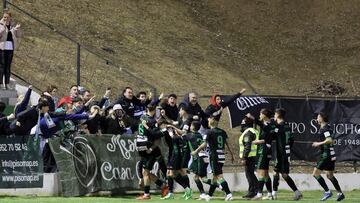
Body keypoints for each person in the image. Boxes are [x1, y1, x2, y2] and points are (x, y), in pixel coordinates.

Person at [192, 117, 234, 201]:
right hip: (221, 155)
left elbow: (204, 144)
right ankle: (209, 195)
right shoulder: (222, 131)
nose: (208, 120)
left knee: (219, 176)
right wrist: (231, 154)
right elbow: (227, 143)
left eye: (209, 119)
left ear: (213, 121)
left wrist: (196, 151)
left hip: (214, 155)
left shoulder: (209, 132)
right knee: (215, 177)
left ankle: (229, 194)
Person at [312, 112, 345, 201]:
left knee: (315, 173)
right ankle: (340, 193)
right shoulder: (326, 128)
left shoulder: (325, 128)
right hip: (331, 154)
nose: (317, 118)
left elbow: (329, 140)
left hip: (326, 155)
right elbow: (331, 140)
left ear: (322, 118)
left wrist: (318, 143)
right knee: (330, 175)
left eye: (318, 117)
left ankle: (327, 192)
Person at [272, 108, 302, 201]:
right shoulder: (287, 126)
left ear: (277, 115)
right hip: (286, 152)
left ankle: (274, 193)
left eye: (274, 114)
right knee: (283, 174)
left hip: (281, 153)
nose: (274, 116)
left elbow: (272, 135)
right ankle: (297, 193)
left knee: (276, 172)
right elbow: (292, 140)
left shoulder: (279, 127)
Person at [247, 109, 275, 200]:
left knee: (261, 173)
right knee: (266, 173)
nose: (259, 115)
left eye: (260, 113)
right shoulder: (267, 125)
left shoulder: (268, 125)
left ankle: (259, 194)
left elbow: (268, 139)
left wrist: (257, 141)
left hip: (264, 151)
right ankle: (270, 194)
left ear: (265, 115)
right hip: (264, 150)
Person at [239, 116, 259, 199]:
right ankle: (257, 189)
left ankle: (252, 192)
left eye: (242, 124)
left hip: (249, 156)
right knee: (251, 174)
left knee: (249, 175)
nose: (241, 126)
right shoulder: (253, 131)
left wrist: (244, 158)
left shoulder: (248, 132)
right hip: (253, 155)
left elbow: (247, 146)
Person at [0, 11, 21, 90]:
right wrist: (3, 28)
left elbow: (18, 35)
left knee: (8, 67)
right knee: (2, 66)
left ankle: (7, 83)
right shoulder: (1, 25)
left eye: (7, 17)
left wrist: (17, 29)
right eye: (4, 17)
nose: (5, 19)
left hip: (10, 47)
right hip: (2, 47)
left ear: (10, 18)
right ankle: (1, 83)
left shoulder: (13, 26)